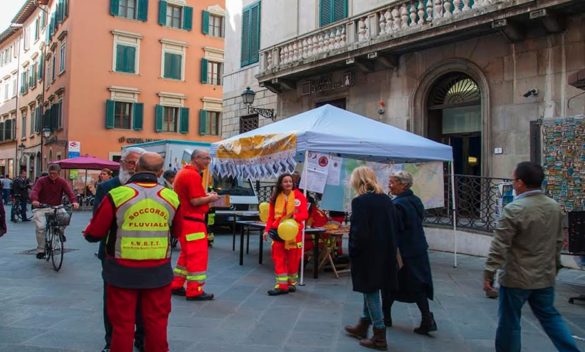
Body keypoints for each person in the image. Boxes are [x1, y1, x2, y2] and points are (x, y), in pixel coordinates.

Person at [84, 152, 181, 352]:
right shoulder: (171, 197)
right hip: (158, 272)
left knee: (122, 324)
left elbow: (94, 233)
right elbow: (178, 231)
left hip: (122, 272)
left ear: (136, 168)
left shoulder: (118, 195)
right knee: (157, 323)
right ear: (161, 172)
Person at [484, 161, 581, 352]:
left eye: (513, 180)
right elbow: (558, 242)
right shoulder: (554, 207)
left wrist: (489, 272)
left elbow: (499, 245)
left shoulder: (514, 209)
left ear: (520, 182)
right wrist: (555, 267)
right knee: (550, 316)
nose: (513, 184)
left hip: (516, 278)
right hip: (544, 276)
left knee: (510, 321)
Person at [93, 147, 145, 352]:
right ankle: (111, 341)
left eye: (138, 163)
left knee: (143, 303)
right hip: (112, 253)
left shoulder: (152, 188)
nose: (134, 167)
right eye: (130, 162)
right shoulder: (107, 187)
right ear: (121, 163)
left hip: (144, 254)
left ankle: (141, 340)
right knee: (112, 302)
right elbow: (98, 219)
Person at [344, 166, 398, 350]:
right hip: (385, 251)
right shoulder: (386, 200)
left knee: (370, 290)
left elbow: (359, 233)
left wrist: (353, 251)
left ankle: (379, 335)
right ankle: (363, 324)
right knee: (372, 288)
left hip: (368, 253)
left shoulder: (360, 202)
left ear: (358, 181)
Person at [382, 171, 437, 334]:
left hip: (403, 251)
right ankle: (426, 318)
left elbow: (395, 229)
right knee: (416, 284)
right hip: (417, 248)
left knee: (390, 283)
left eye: (392, 182)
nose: (389, 185)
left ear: (403, 185)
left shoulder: (398, 205)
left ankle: (386, 318)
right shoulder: (415, 200)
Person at [171, 149, 219, 300]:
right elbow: (195, 201)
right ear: (196, 158)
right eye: (206, 158)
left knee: (186, 255)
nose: (208, 161)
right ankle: (194, 290)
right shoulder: (192, 175)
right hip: (193, 222)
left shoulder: (183, 172)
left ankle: (177, 284)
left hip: (185, 221)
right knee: (197, 256)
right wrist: (211, 198)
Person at [262, 173, 309, 296]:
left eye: (290, 181)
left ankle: (291, 283)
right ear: (281, 184)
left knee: (294, 260)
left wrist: (294, 216)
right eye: (285, 181)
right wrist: (266, 230)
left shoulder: (300, 196)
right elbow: (270, 217)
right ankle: (281, 285)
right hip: (278, 232)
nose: (288, 183)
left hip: (294, 233)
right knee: (279, 259)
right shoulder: (275, 197)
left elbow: (305, 215)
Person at [30, 164, 79, 259]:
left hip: (56, 206)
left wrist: (74, 201)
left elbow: (70, 192)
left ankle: (60, 232)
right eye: (50, 173)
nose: (52, 175)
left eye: (54, 173)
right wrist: (35, 200)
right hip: (42, 207)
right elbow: (35, 191)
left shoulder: (62, 182)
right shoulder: (42, 181)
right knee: (40, 228)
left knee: (65, 217)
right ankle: (41, 250)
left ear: (59, 173)